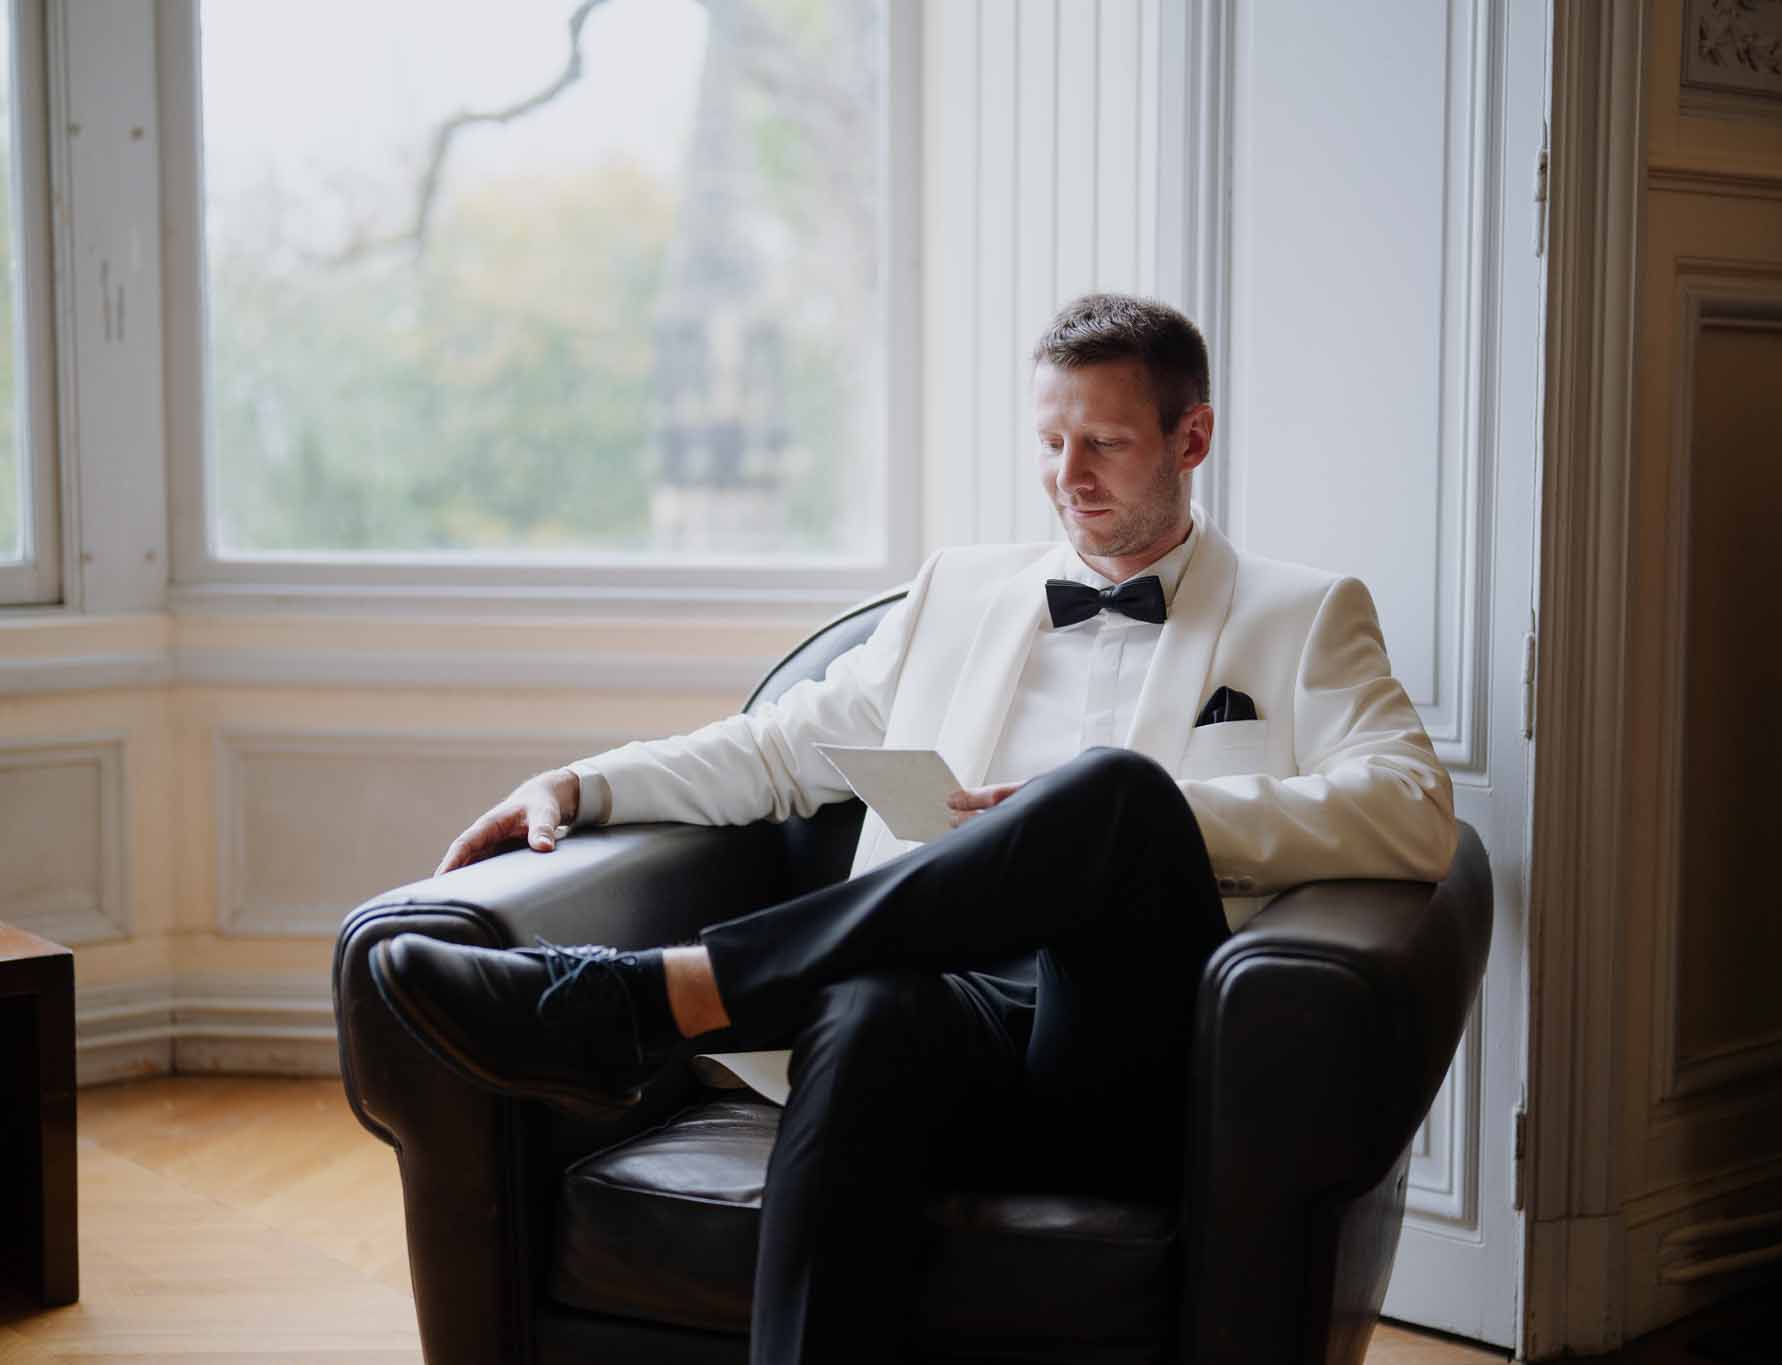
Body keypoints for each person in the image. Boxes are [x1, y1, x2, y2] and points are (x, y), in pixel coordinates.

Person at [369, 292, 1455, 1364]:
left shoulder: (1300, 613)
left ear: (1191, 437)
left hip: (1129, 1055)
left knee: (1114, 791)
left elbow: (1412, 811)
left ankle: (655, 998)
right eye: (1049, 441)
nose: (1067, 478)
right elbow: (778, 748)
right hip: (955, 1027)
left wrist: (1168, 816)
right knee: (868, 1004)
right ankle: (666, 1024)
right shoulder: (959, 593)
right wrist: (580, 782)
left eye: (1106, 445)